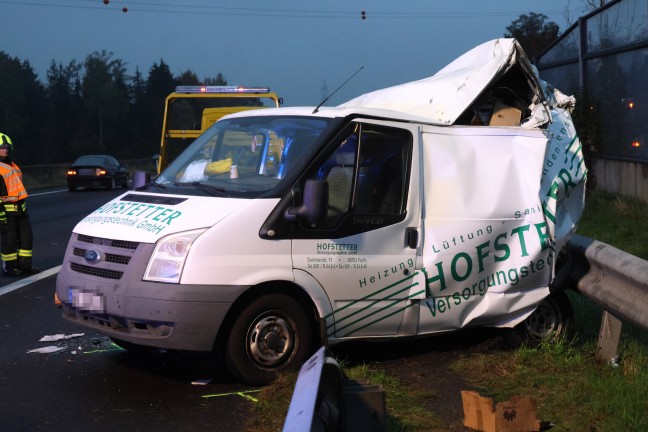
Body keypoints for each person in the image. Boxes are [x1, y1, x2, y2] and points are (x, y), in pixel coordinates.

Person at [0, 132, 40, 277]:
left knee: (26, 239)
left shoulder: (12, 165)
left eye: (7, 147)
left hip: (21, 209)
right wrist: (1, 213)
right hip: (6, 211)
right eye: (2, 147)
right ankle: (9, 268)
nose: (5, 150)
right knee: (9, 242)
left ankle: (25, 266)